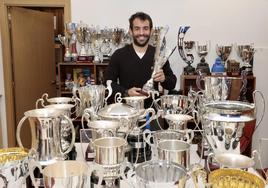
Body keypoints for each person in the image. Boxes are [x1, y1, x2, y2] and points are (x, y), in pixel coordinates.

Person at [105, 11, 177, 106]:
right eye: (137, 29)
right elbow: (107, 83)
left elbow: (172, 83)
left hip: (152, 113)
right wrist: (126, 92)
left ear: (151, 31)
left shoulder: (159, 55)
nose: (141, 33)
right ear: (130, 31)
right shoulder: (119, 55)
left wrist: (163, 79)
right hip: (126, 112)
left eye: (145, 28)